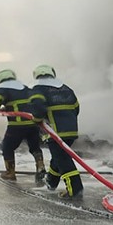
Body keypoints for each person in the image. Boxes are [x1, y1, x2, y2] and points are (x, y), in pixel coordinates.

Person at [31, 65, 84, 199]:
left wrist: (36, 119)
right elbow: (76, 108)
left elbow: (38, 109)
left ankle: (75, 189)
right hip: (71, 131)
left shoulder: (38, 90)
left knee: (63, 160)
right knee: (58, 158)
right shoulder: (66, 89)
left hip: (55, 133)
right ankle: (51, 182)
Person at [0, 69, 46, 182]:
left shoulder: (2, 89)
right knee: (34, 147)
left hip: (17, 125)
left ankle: (10, 173)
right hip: (33, 124)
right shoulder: (24, 87)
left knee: (7, 148)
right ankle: (40, 166)